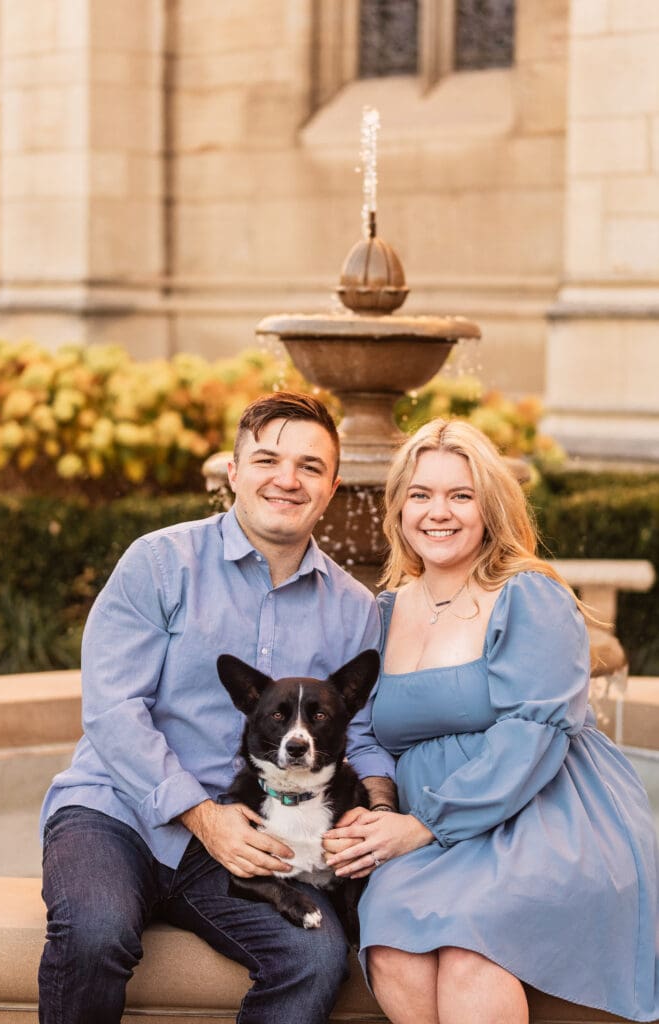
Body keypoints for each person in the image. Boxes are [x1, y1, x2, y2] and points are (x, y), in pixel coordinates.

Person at [37, 391, 396, 1024]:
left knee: (314, 959)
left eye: (310, 466)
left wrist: (378, 810)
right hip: (115, 812)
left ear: (332, 487)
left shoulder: (353, 607)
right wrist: (204, 816)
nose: (287, 479)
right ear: (233, 473)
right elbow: (113, 709)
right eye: (267, 460)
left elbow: (361, 734)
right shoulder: (159, 562)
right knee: (95, 933)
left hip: (252, 841)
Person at [324, 417, 659, 1024]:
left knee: (469, 956)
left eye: (461, 494)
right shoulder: (385, 610)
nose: (438, 512)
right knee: (394, 952)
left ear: (489, 507)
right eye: (421, 495)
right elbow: (365, 731)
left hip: (538, 814)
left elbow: (533, 734)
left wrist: (424, 824)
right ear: (398, 509)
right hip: (421, 826)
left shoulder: (527, 594)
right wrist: (378, 811)